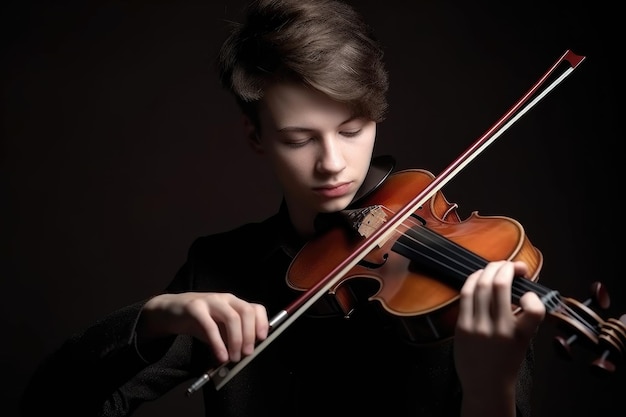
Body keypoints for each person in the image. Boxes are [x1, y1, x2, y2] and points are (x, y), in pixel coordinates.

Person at [20, 0, 546, 416]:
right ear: (256, 136)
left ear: (377, 119)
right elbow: (54, 403)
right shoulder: (223, 268)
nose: (333, 164)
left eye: (352, 130)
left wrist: (489, 391)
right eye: (299, 139)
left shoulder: (461, 284)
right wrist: (153, 318)